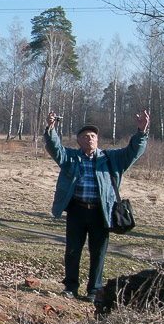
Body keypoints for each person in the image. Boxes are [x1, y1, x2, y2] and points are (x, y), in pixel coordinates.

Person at [44, 109, 150, 301]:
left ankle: (94, 290)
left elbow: (133, 151)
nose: (90, 139)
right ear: (79, 141)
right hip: (77, 210)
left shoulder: (111, 159)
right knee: (73, 250)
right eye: (85, 136)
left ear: (97, 140)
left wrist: (141, 132)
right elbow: (55, 148)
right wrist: (51, 129)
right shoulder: (70, 158)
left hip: (102, 213)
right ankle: (70, 287)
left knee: (98, 252)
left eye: (93, 136)